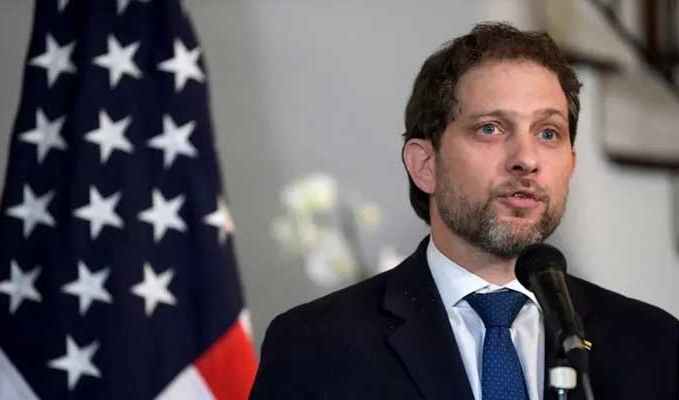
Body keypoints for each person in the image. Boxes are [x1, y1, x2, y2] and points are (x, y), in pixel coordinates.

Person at [250, 22, 679, 400]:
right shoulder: (318, 345)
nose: (526, 159)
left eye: (548, 132)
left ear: (570, 164)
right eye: (490, 128)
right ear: (425, 165)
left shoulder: (651, 343)